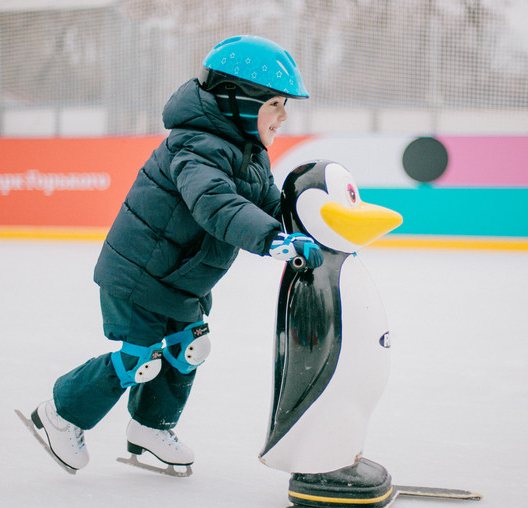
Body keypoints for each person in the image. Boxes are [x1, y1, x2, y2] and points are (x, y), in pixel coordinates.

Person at [27, 35, 324, 473]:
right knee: (139, 358)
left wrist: (308, 221)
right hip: (140, 275)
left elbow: (265, 205)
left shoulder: (249, 152)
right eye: (276, 104)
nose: (284, 116)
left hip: (181, 278)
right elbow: (216, 204)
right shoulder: (196, 145)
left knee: (189, 347)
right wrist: (271, 240)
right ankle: (60, 413)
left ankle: (150, 427)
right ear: (237, 100)